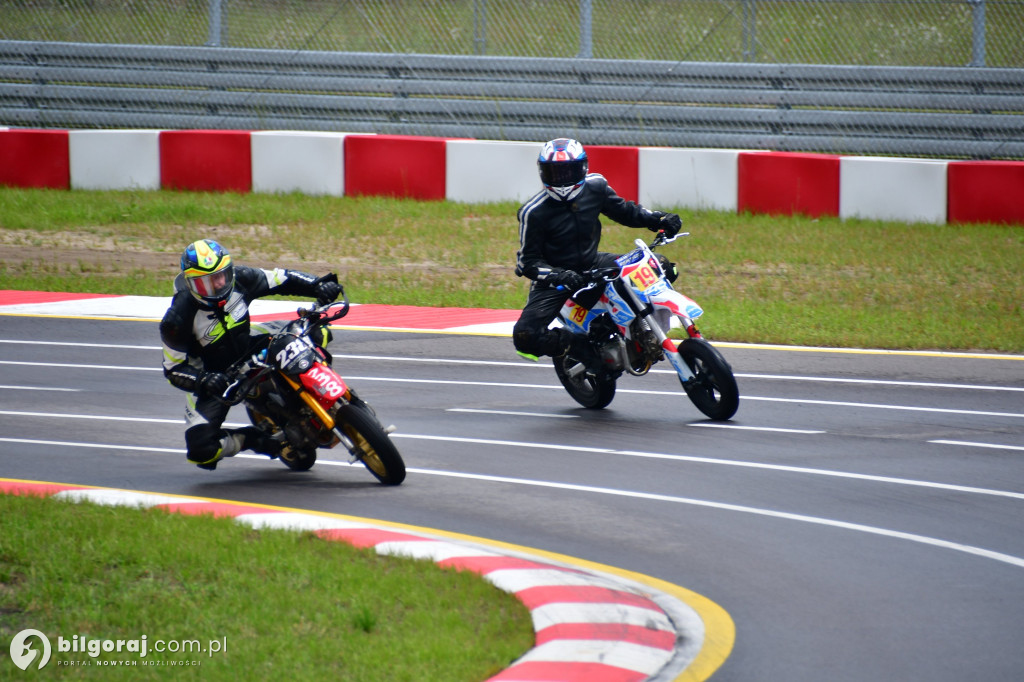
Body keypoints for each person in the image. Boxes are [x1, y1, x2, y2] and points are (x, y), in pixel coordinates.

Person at [159, 239, 343, 471]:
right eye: (208, 281)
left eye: (222, 274)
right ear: (192, 283)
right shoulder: (176, 320)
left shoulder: (239, 278)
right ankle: (253, 439)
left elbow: (281, 278)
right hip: (217, 375)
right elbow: (173, 370)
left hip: (250, 344)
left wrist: (317, 285)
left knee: (318, 330)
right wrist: (204, 380)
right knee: (201, 451)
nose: (220, 283)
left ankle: (327, 393)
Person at [513, 138, 682, 360]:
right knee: (525, 336)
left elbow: (626, 211)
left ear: (582, 168)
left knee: (661, 265)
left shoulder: (596, 186)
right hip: (555, 281)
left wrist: (659, 219)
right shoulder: (532, 212)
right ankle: (580, 349)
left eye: (568, 172)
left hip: (593, 264)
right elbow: (527, 262)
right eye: (555, 172)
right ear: (542, 172)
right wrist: (558, 274)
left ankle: (639, 328)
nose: (562, 180)